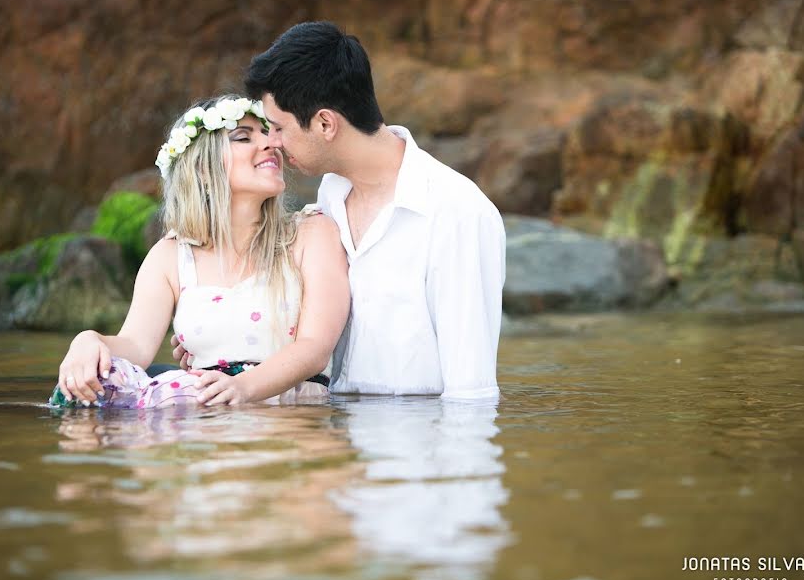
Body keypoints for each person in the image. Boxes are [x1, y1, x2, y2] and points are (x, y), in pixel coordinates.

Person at [172, 23, 506, 399]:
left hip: (414, 441)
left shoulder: (456, 212)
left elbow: (471, 391)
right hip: (337, 437)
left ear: (325, 123)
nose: (274, 144)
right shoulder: (329, 199)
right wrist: (217, 335)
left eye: (279, 128)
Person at [51, 94, 350, 408]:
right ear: (203, 170)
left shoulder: (311, 234)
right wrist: (87, 341)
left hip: (293, 424)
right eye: (244, 138)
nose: (270, 143)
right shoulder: (169, 257)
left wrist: (243, 387)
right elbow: (135, 347)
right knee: (90, 389)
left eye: (267, 133)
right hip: (206, 424)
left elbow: (315, 347)